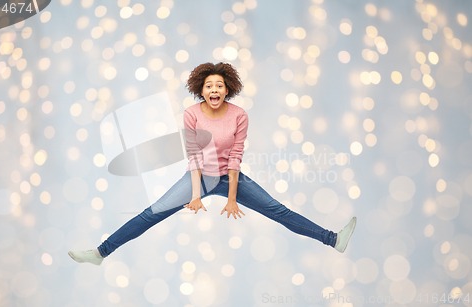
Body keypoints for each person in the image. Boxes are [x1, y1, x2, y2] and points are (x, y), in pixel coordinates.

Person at [68, 62, 357, 266]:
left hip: (231, 178)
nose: (214, 89)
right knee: (150, 215)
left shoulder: (239, 115)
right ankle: (100, 253)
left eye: (220, 85)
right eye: (209, 85)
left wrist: (232, 198)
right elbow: (194, 156)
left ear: (228, 88)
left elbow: (235, 158)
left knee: (277, 211)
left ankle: (332, 240)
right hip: (198, 177)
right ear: (201, 89)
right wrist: (195, 194)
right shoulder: (192, 113)